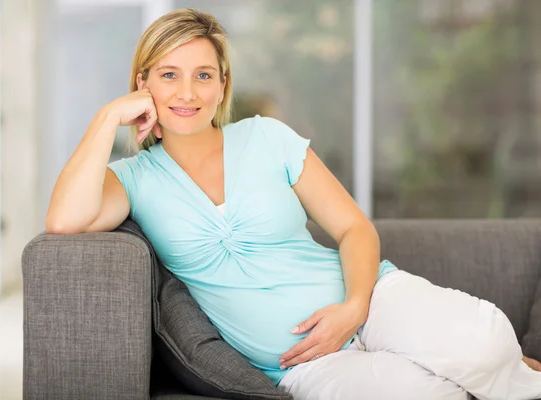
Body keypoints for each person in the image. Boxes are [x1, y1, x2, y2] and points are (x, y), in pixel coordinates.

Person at [46, 8, 541, 400]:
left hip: (371, 302)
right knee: (420, 394)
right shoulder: (130, 179)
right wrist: (106, 118)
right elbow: (64, 221)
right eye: (169, 75)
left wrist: (354, 307)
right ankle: (509, 378)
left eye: (203, 76)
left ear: (221, 86)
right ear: (143, 84)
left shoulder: (266, 137)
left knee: (486, 341)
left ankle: (505, 369)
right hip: (303, 364)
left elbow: (354, 229)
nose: (187, 92)